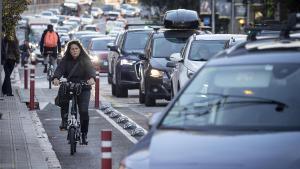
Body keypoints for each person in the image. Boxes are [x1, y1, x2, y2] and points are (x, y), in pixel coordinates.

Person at [52, 40, 96, 145]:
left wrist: (92, 78)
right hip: (69, 85)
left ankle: (84, 134)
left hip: (83, 87)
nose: (74, 51)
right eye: (72, 49)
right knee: (63, 98)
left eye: (76, 49)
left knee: (84, 111)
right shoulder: (65, 60)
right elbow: (59, 69)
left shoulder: (85, 60)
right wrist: (56, 78)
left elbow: (91, 70)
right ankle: (64, 120)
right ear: (69, 50)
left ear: (80, 49)